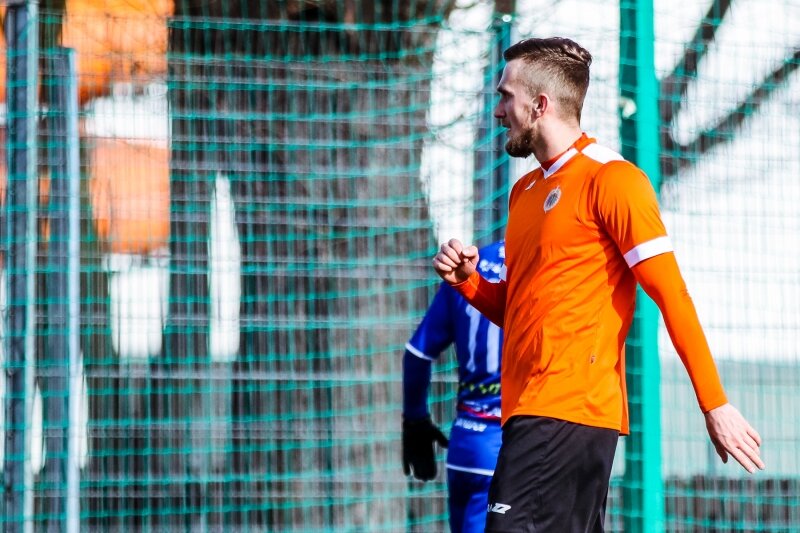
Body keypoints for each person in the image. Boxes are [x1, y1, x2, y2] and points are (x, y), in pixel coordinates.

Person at [432, 37, 764, 533]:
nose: (497, 110)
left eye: (505, 96)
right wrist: (469, 282)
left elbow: (672, 294)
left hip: (568, 411)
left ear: (539, 104)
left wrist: (714, 403)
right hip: (530, 412)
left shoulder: (613, 180)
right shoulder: (525, 191)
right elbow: (521, 312)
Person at [402, 240, 505, 533]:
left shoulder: (470, 264)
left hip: (465, 444)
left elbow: (417, 353)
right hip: (509, 447)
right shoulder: (535, 265)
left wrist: (415, 420)